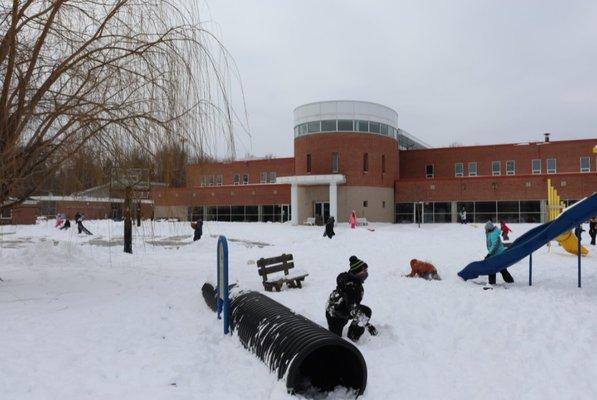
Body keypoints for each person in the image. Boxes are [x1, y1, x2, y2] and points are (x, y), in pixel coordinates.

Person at [326, 256, 377, 342]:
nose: (366, 273)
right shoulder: (350, 287)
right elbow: (353, 309)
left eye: (366, 271)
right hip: (335, 314)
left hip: (343, 309)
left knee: (366, 311)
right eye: (364, 271)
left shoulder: (354, 281)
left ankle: (353, 336)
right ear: (357, 272)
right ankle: (350, 340)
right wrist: (367, 325)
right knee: (336, 339)